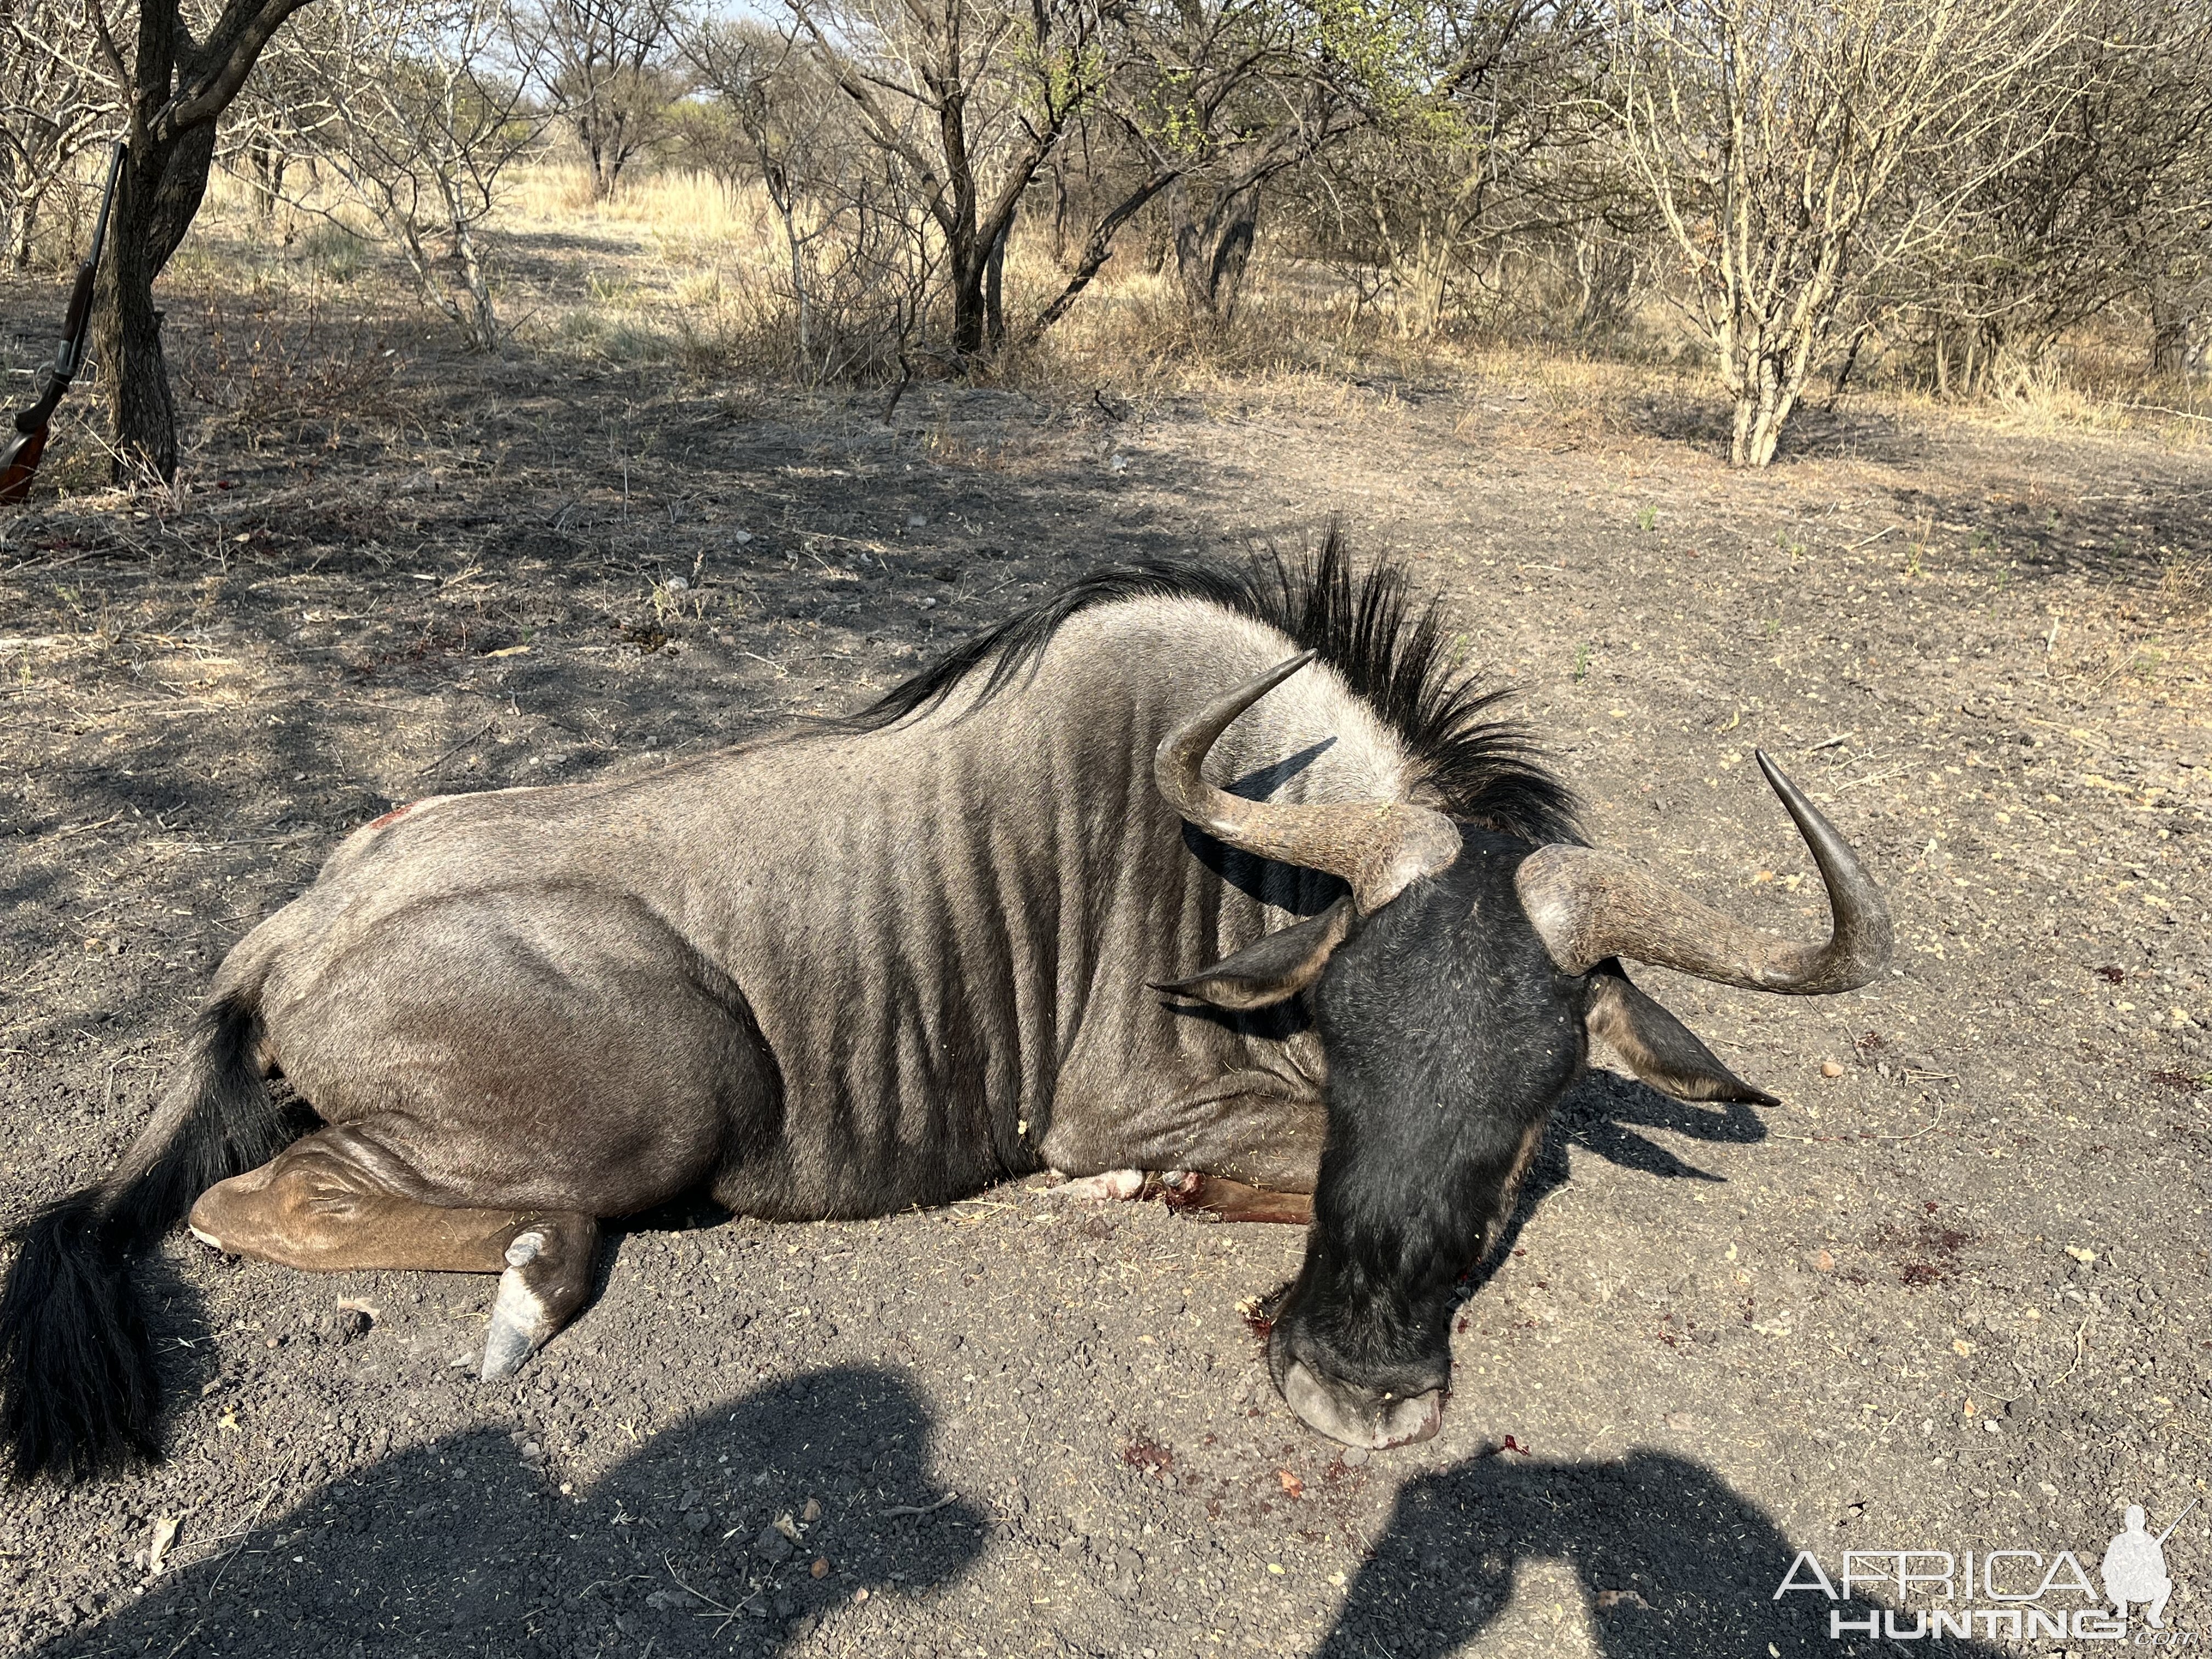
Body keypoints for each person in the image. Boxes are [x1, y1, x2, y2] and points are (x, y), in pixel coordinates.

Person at [2101, 1504, 2173, 1628]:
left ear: (2144, 1522)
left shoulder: (2151, 1541)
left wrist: (2150, 1561)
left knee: (2166, 1584)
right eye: (2131, 1519)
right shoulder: (2119, 1541)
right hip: (2122, 1587)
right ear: (2126, 1521)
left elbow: (2162, 1571)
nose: (2134, 1523)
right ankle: (2121, 1607)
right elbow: (2106, 1567)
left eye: (2138, 1519)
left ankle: (2153, 1615)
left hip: (2143, 1586)